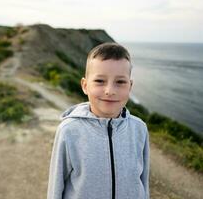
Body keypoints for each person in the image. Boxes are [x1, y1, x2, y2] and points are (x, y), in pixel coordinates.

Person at [47, 42, 150, 199]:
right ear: (85, 85)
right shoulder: (69, 130)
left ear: (130, 86)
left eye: (120, 82)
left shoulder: (139, 129)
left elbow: (143, 180)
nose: (109, 91)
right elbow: (56, 185)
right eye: (100, 81)